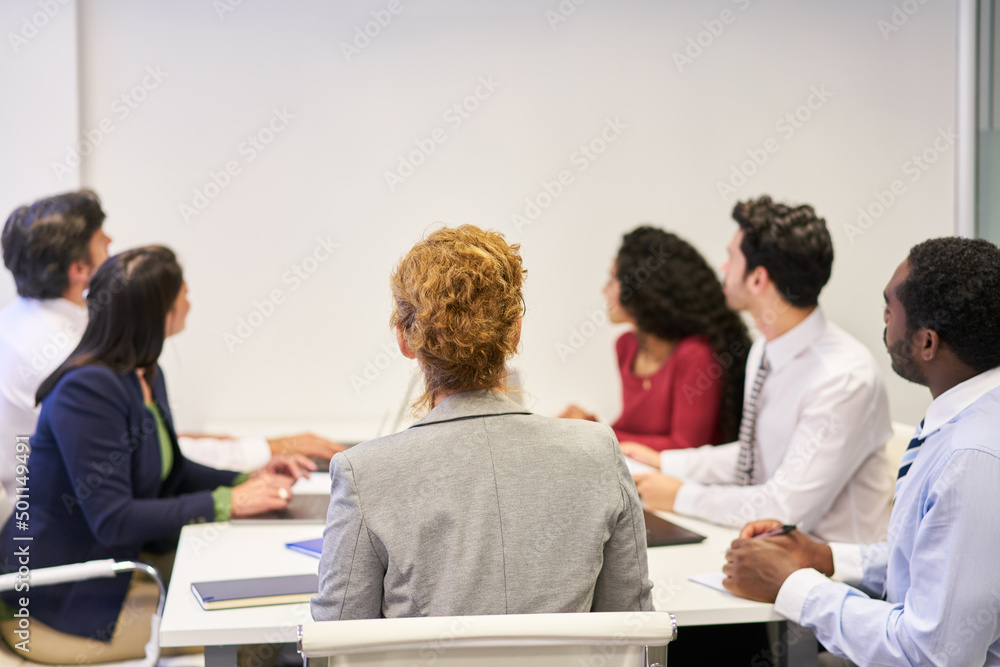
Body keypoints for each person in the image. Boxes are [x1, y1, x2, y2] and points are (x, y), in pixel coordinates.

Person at [311, 225, 653, 620]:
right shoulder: (598, 453)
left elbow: (334, 639)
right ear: (515, 333)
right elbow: (633, 626)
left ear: (406, 339)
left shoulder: (362, 473)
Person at [0, 246, 306, 663]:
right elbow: (112, 519)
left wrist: (247, 480)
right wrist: (228, 502)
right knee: (258, 637)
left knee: (268, 607)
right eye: (183, 292)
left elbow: (173, 473)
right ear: (158, 311)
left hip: (117, 572)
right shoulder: (86, 390)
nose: (189, 301)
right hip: (57, 607)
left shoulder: (144, 372)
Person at [723, 237, 1000, 666]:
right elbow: (935, 559)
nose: (884, 319)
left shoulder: (973, 456)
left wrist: (793, 585)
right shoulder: (966, 416)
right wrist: (825, 557)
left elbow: (931, 655)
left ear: (928, 343)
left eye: (890, 309)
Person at [0, 190, 343, 521]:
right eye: (104, 243)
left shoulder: (36, 321)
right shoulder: (65, 359)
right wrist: (257, 458)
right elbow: (132, 465)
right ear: (78, 268)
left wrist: (240, 473)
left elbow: (157, 453)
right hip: (66, 549)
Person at [624, 196, 892, 544]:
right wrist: (665, 463)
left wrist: (680, 495)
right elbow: (756, 456)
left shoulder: (843, 378)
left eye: (732, 257)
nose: (722, 267)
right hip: (773, 555)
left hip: (835, 575)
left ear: (757, 279)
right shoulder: (767, 348)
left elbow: (784, 509)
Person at [561, 227, 751, 451]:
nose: (604, 290)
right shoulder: (626, 346)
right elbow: (636, 432)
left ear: (643, 291)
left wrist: (596, 434)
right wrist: (588, 426)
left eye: (613, 280)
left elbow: (684, 446)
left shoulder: (696, 354)